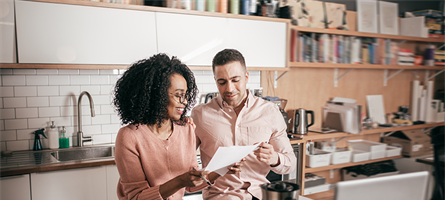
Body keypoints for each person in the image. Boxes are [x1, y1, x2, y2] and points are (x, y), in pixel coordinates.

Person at [112, 53, 242, 200]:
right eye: (179, 95)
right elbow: (136, 197)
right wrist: (180, 181)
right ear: (157, 95)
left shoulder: (186, 129)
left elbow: (191, 183)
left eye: (186, 95)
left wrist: (222, 169)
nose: (185, 101)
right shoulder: (129, 136)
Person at [191, 49, 297, 200]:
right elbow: (186, 165)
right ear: (215, 81)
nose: (229, 89)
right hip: (221, 196)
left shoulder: (270, 112)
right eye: (222, 82)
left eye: (235, 80)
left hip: (260, 194)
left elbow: (291, 162)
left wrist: (275, 158)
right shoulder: (200, 115)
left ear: (246, 77)